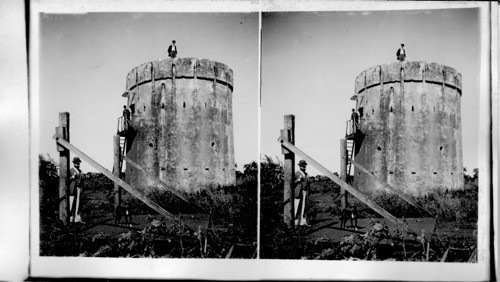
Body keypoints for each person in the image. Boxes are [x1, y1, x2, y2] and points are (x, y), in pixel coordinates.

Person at [294, 160, 310, 226]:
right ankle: (295, 222)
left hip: (304, 191)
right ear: (299, 166)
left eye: (304, 166)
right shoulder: (296, 173)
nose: (304, 167)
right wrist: (298, 180)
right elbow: (292, 183)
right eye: (302, 166)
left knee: (304, 206)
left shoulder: (306, 174)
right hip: (298, 191)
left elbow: (308, 184)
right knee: (296, 206)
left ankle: (303, 222)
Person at [69, 157, 84, 223]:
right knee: (71, 202)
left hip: (79, 188)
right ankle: (70, 217)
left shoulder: (80, 171)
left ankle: (77, 218)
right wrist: (72, 177)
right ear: (74, 163)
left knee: (78, 203)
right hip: (73, 188)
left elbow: (81, 180)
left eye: (78, 163)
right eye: (76, 163)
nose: (78, 164)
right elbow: (66, 179)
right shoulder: (71, 170)